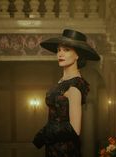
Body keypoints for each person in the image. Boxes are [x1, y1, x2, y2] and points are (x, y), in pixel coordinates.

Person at [32, 29, 100, 157]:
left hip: (65, 151)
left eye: (66, 50)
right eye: (58, 50)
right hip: (53, 147)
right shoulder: (63, 81)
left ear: (77, 55)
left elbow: (75, 129)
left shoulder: (74, 87)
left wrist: (45, 133)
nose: (60, 54)